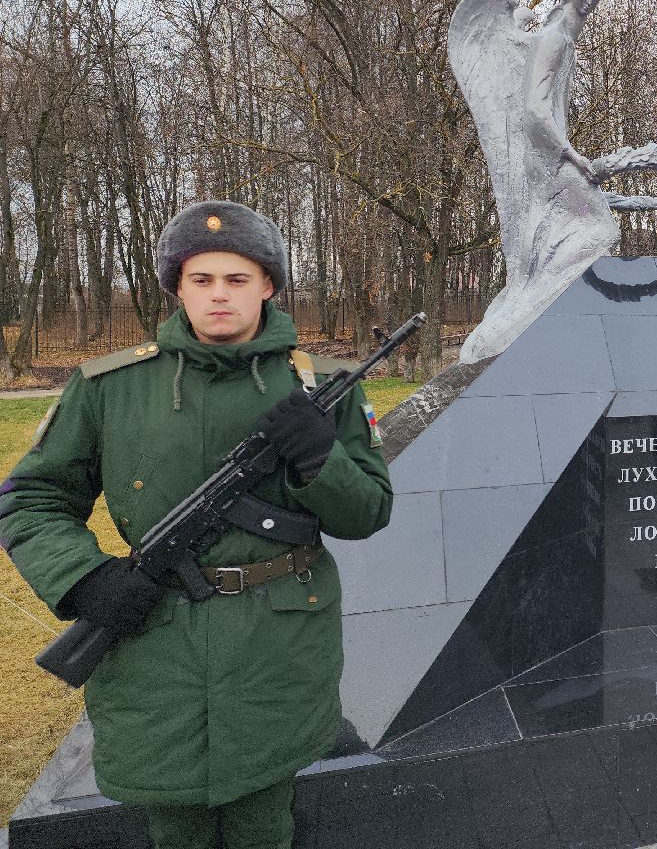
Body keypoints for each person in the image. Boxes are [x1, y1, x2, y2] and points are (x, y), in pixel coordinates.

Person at [0, 201, 393, 849]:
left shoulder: (322, 387)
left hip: (280, 644)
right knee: (174, 821)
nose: (218, 296)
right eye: (201, 279)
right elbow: (30, 495)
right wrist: (85, 578)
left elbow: (369, 513)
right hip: (156, 643)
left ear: (268, 285)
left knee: (265, 818)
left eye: (237, 279)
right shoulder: (111, 386)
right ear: (176, 286)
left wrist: (322, 457)